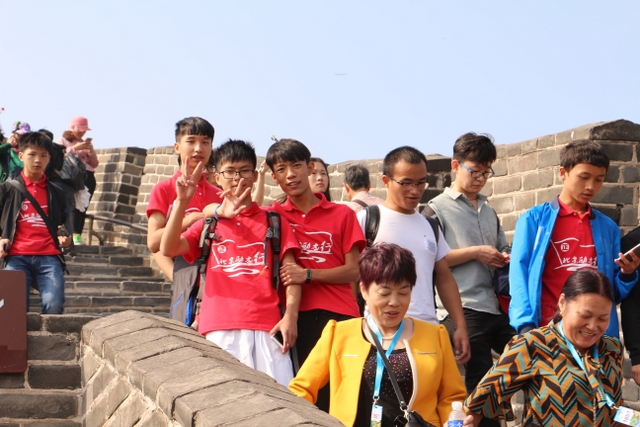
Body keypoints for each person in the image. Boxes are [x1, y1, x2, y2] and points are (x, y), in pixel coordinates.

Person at [214, 138, 364, 410]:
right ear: (273, 177)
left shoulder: (342, 214)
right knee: (307, 401)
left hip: (341, 315)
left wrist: (307, 275)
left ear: (310, 167)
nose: (291, 174)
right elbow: (230, 214)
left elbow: (353, 271)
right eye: (281, 169)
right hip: (294, 320)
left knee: (347, 396)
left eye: (296, 165)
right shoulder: (273, 216)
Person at [160, 139, 301, 386]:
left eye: (244, 171)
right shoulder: (209, 224)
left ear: (255, 176)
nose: (237, 178)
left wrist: (291, 316)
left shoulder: (274, 221)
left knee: (279, 400)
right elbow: (167, 248)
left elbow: (291, 274)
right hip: (217, 327)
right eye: (230, 172)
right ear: (217, 177)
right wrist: (182, 202)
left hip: (267, 327)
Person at [289, 242, 468, 427]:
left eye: (403, 292)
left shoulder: (435, 335)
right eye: (384, 293)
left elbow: (452, 396)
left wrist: (455, 421)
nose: (394, 302)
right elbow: (300, 389)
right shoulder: (339, 334)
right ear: (364, 290)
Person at [426, 133, 515, 424]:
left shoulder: (489, 210)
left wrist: (504, 255)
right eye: (475, 171)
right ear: (455, 166)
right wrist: (476, 252)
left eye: (486, 172)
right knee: (478, 381)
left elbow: (501, 245)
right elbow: (431, 259)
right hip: (463, 307)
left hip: (496, 306)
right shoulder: (436, 209)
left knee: (524, 354)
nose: (480, 178)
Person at [509, 139, 639, 337]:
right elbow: (518, 276)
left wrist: (627, 274)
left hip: (594, 336)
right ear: (563, 173)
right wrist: (526, 327)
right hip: (546, 331)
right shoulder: (534, 220)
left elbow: (612, 294)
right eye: (584, 177)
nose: (591, 186)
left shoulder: (608, 228)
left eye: (599, 179)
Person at [464, 269, 625, 426]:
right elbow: (480, 402)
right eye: (585, 316)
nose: (592, 326)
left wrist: (634, 420)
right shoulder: (533, 345)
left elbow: (614, 408)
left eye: (603, 318)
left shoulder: (611, 348)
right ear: (562, 303)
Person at [356, 146, 471, 364]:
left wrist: (461, 326)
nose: (415, 190)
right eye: (406, 183)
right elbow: (353, 276)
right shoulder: (367, 220)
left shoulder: (430, 226)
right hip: (380, 333)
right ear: (386, 180)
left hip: (426, 331)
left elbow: (444, 278)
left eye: (421, 183)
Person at [146, 117, 222, 319]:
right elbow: (153, 242)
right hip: (184, 276)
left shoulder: (219, 194)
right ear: (177, 146)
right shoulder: (164, 189)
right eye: (191, 141)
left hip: (216, 282)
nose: (198, 148)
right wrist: (189, 220)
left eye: (205, 142)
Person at [0, 132, 71, 313]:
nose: (38, 160)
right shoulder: (7, 189)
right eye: (32, 154)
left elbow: (61, 222)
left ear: (49, 159)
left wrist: (63, 235)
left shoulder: (56, 192)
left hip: (49, 256)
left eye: (43, 155)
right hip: (16, 255)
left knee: (54, 305)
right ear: (21, 156)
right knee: (14, 310)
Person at [56, 116, 99, 245]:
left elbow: (94, 164)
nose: (82, 132)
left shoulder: (84, 142)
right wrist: (75, 148)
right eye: (80, 130)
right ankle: (73, 235)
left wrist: (90, 151)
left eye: (84, 130)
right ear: (73, 127)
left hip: (87, 175)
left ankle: (78, 235)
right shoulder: (63, 140)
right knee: (73, 205)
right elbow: (58, 156)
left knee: (83, 206)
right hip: (71, 176)